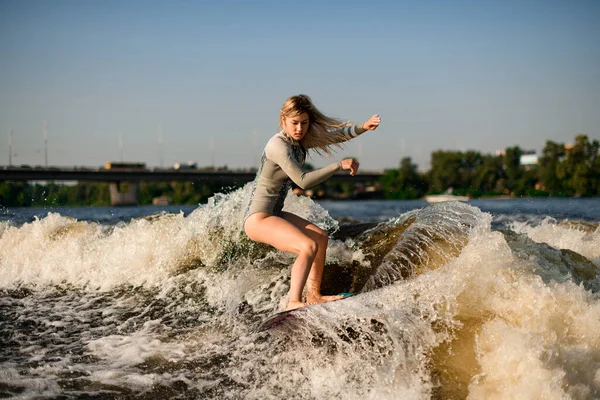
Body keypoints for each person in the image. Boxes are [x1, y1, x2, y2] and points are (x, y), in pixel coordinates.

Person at [243, 94, 381, 311]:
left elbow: (333, 136)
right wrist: (338, 166)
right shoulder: (278, 145)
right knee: (307, 246)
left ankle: (314, 294)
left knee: (319, 237)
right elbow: (303, 181)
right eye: (294, 123)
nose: (299, 128)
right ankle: (293, 301)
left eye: (304, 123)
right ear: (283, 119)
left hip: (274, 214)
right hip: (258, 219)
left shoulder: (298, 141)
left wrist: (363, 127)